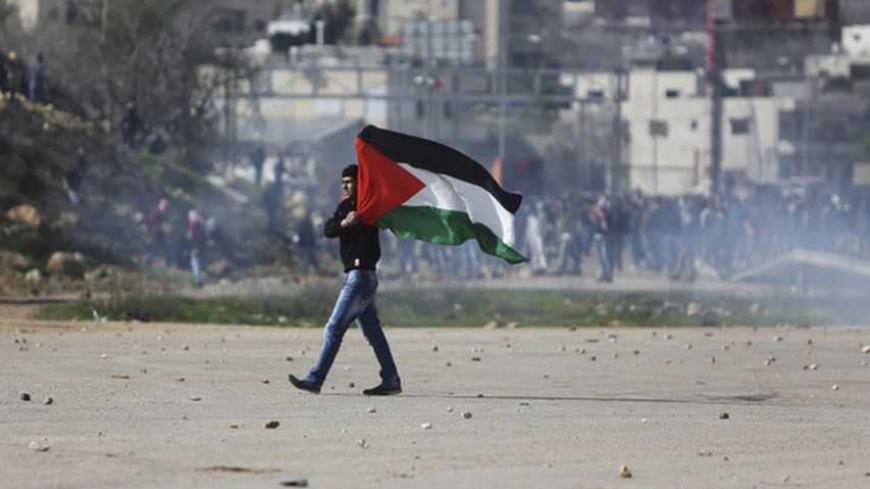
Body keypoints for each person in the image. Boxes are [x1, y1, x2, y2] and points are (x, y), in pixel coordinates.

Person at [289, 164, 401, 396]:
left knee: (333, 328)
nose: (346, 186)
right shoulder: (346, 207)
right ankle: (391, 378)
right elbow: (329, 230)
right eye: (343, 183)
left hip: (361, 277)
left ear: (361, 183)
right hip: (358, 276)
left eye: (350, 182)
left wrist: (359, 213)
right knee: (373, 332)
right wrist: (345, 222)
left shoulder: (369, 207)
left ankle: (315, 378)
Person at [187, 209, 207, 287]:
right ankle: (202, 280)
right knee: (201, 264)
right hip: (202, 247)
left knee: (195, 264)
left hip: (195, 247)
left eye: (190, 216)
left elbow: (191, 236)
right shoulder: (202, 223)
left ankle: (199, 282)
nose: (189, 218)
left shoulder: (193, 224)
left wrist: (188, 236)